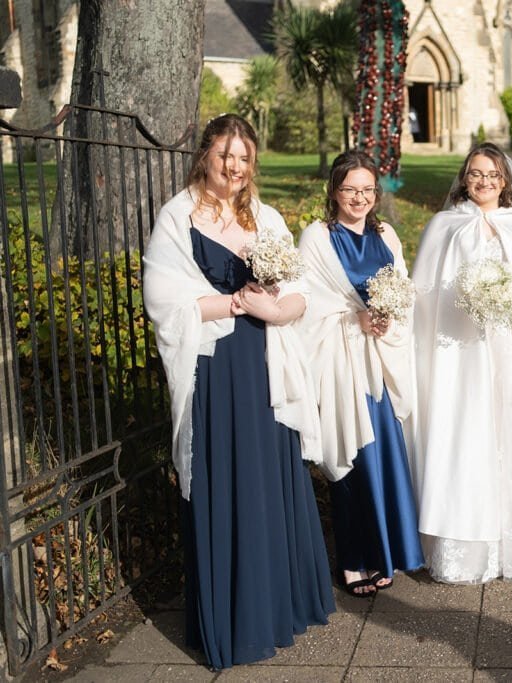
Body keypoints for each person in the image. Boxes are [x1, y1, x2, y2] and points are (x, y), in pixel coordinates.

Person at [142, 114, 333, 669]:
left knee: (269, 480)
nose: (234, 166)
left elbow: (299, 292)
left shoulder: (267, 217)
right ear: (205, 155)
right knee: (229, 479)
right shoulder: (177, 217)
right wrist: (232, 303)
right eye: (225, 155)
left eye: (244, 157)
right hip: (218, 367)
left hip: (266, 362)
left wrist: (276, 306)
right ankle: (235, 622)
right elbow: (163, 299)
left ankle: (278, 609)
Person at [411, 141, 512, 583]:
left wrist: (508, 303)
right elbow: (424, 294)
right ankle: (465, 543)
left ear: (504, 182)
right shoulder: (444, 225)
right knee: (469, 430)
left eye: (492, 175)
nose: (483, 182)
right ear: (464, 178)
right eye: (475, 174)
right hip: (461, 349)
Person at [297, 151, 424, 597]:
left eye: (368, 189)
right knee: (351, 457)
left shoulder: (386, 233)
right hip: (342, 363)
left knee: (384, 456)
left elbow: (403, 288)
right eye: (351, 189)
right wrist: (357, 320)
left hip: (380, 362)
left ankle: (386, 551)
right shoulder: (316, 236)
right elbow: (307, 304)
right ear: (334, 190)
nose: (360, 198)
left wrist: (387, 317)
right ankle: (353, 561)